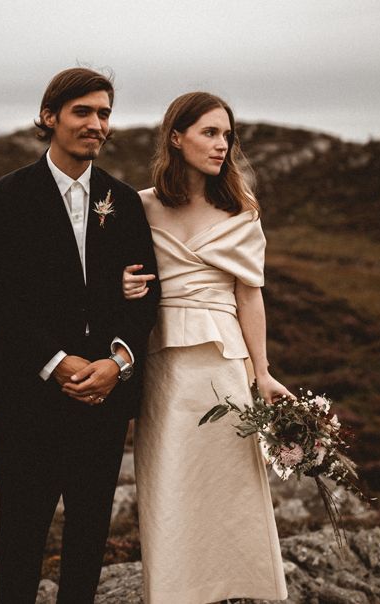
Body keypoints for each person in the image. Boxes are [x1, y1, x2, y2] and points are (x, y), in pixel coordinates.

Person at [0, 67, 160, 603]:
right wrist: (58, 362)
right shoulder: (4, 198)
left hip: (103, 396)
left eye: (104, 114)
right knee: (22, 532)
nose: (97, 124)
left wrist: (116, 362)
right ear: (50, 117)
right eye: (83, 112)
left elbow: (146, 295)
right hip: (29, 391)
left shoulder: (123, 201)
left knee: (90, 533)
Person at [122, 92, 290, 603]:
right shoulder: (141, 204)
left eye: (227, 135)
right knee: (170, 480)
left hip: (223, 363)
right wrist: (126, 286)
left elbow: (249, 296)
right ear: (177, 136)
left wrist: (262, 373)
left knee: (229, 483)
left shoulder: (241, 211)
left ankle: (236, 588)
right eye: (209, 133)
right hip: (164, 362)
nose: (223, 145)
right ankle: (174, 591)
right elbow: (123, 277)